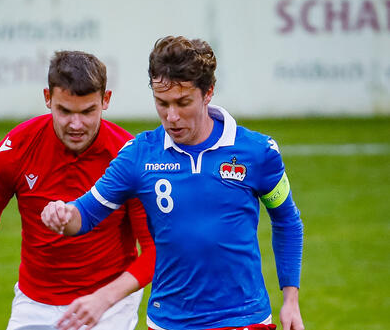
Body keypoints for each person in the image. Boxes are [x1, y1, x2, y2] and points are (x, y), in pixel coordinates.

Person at [41, 36, 305, 330]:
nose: (172, 116)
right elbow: (86, 215)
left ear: (208, 93)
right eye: (162, 103)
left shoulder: (258, 152)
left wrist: (290, 300)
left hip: (244, 319)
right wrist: (63, 214)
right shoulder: (139, 154)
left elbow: (287, 221)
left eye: (183, 102)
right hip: (169, 321)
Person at [0, 50, 155, 330]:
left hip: (107, 304)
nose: (76, 124)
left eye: (87, 111)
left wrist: (103, 299)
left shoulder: (129, 157)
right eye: (65, 111)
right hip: (35, 302)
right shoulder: (17, 148)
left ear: (105, 100)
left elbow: (156, 251)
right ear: (48, 98)